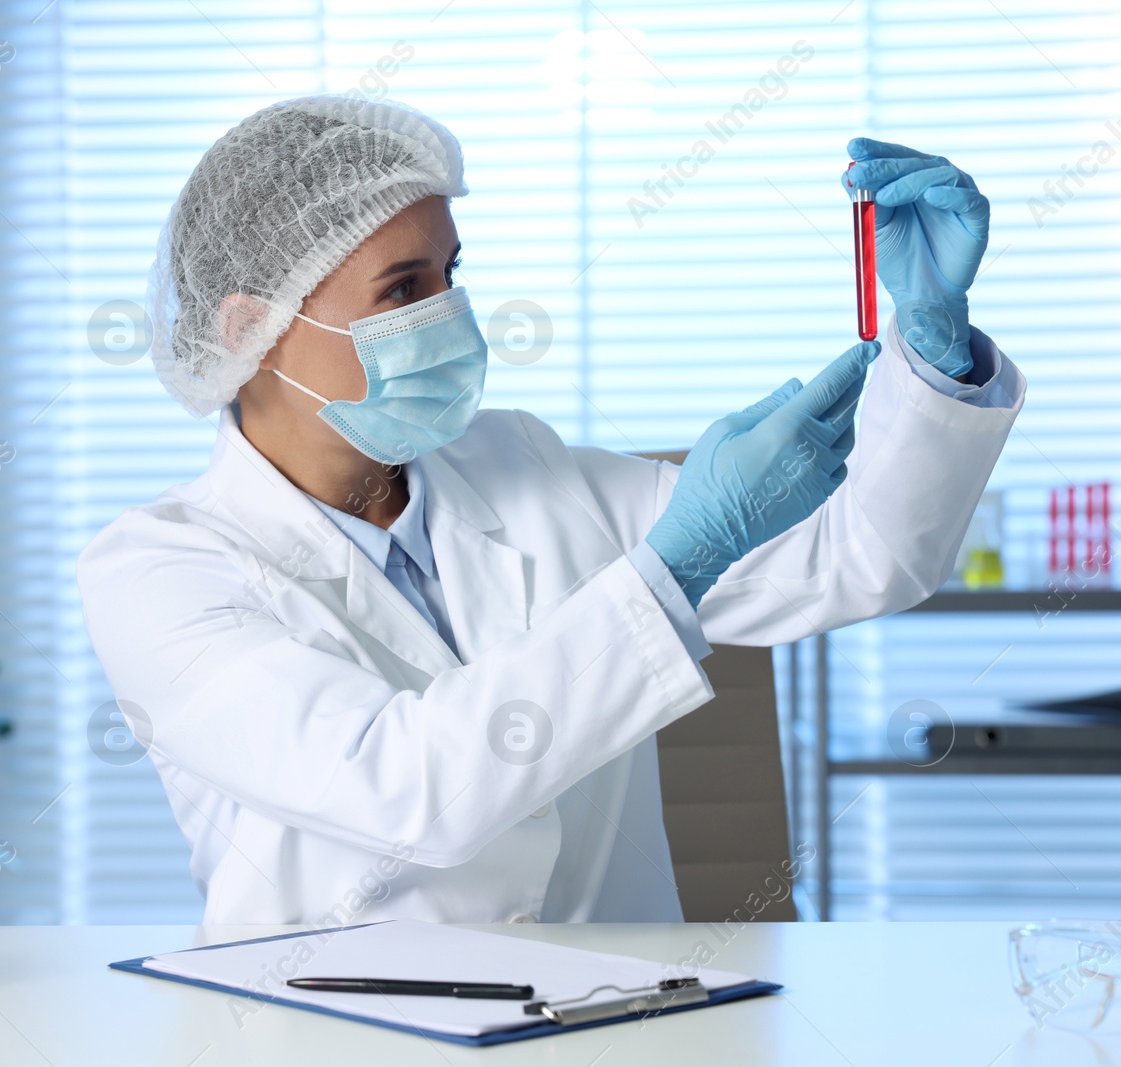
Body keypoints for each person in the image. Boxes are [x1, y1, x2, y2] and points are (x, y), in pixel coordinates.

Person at [78, 96, 1025, 924]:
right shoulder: (158, 571)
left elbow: (859, 558)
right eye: (403, 290)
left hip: (618, 1020)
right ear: (253, 328)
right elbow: (403, 789)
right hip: (326, 1034)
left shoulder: (519, 459)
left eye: (450, 274)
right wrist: (675, 566)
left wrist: (932, 352)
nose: (447, 314)